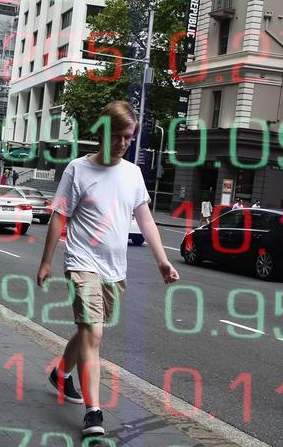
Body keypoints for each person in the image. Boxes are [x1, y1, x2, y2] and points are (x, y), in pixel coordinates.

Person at [36, 101, 180, 436]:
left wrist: (162, 261)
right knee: (95, 333)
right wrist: (46, 261)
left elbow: (145, 219)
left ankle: (61, 374)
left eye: (128, 137)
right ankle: (94, 413)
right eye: (117, 135)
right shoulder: (77, 169)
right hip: (82, 263)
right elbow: (59, 216)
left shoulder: (132, 174)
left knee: (89, 330)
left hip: (115, 270)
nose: (122, 143)